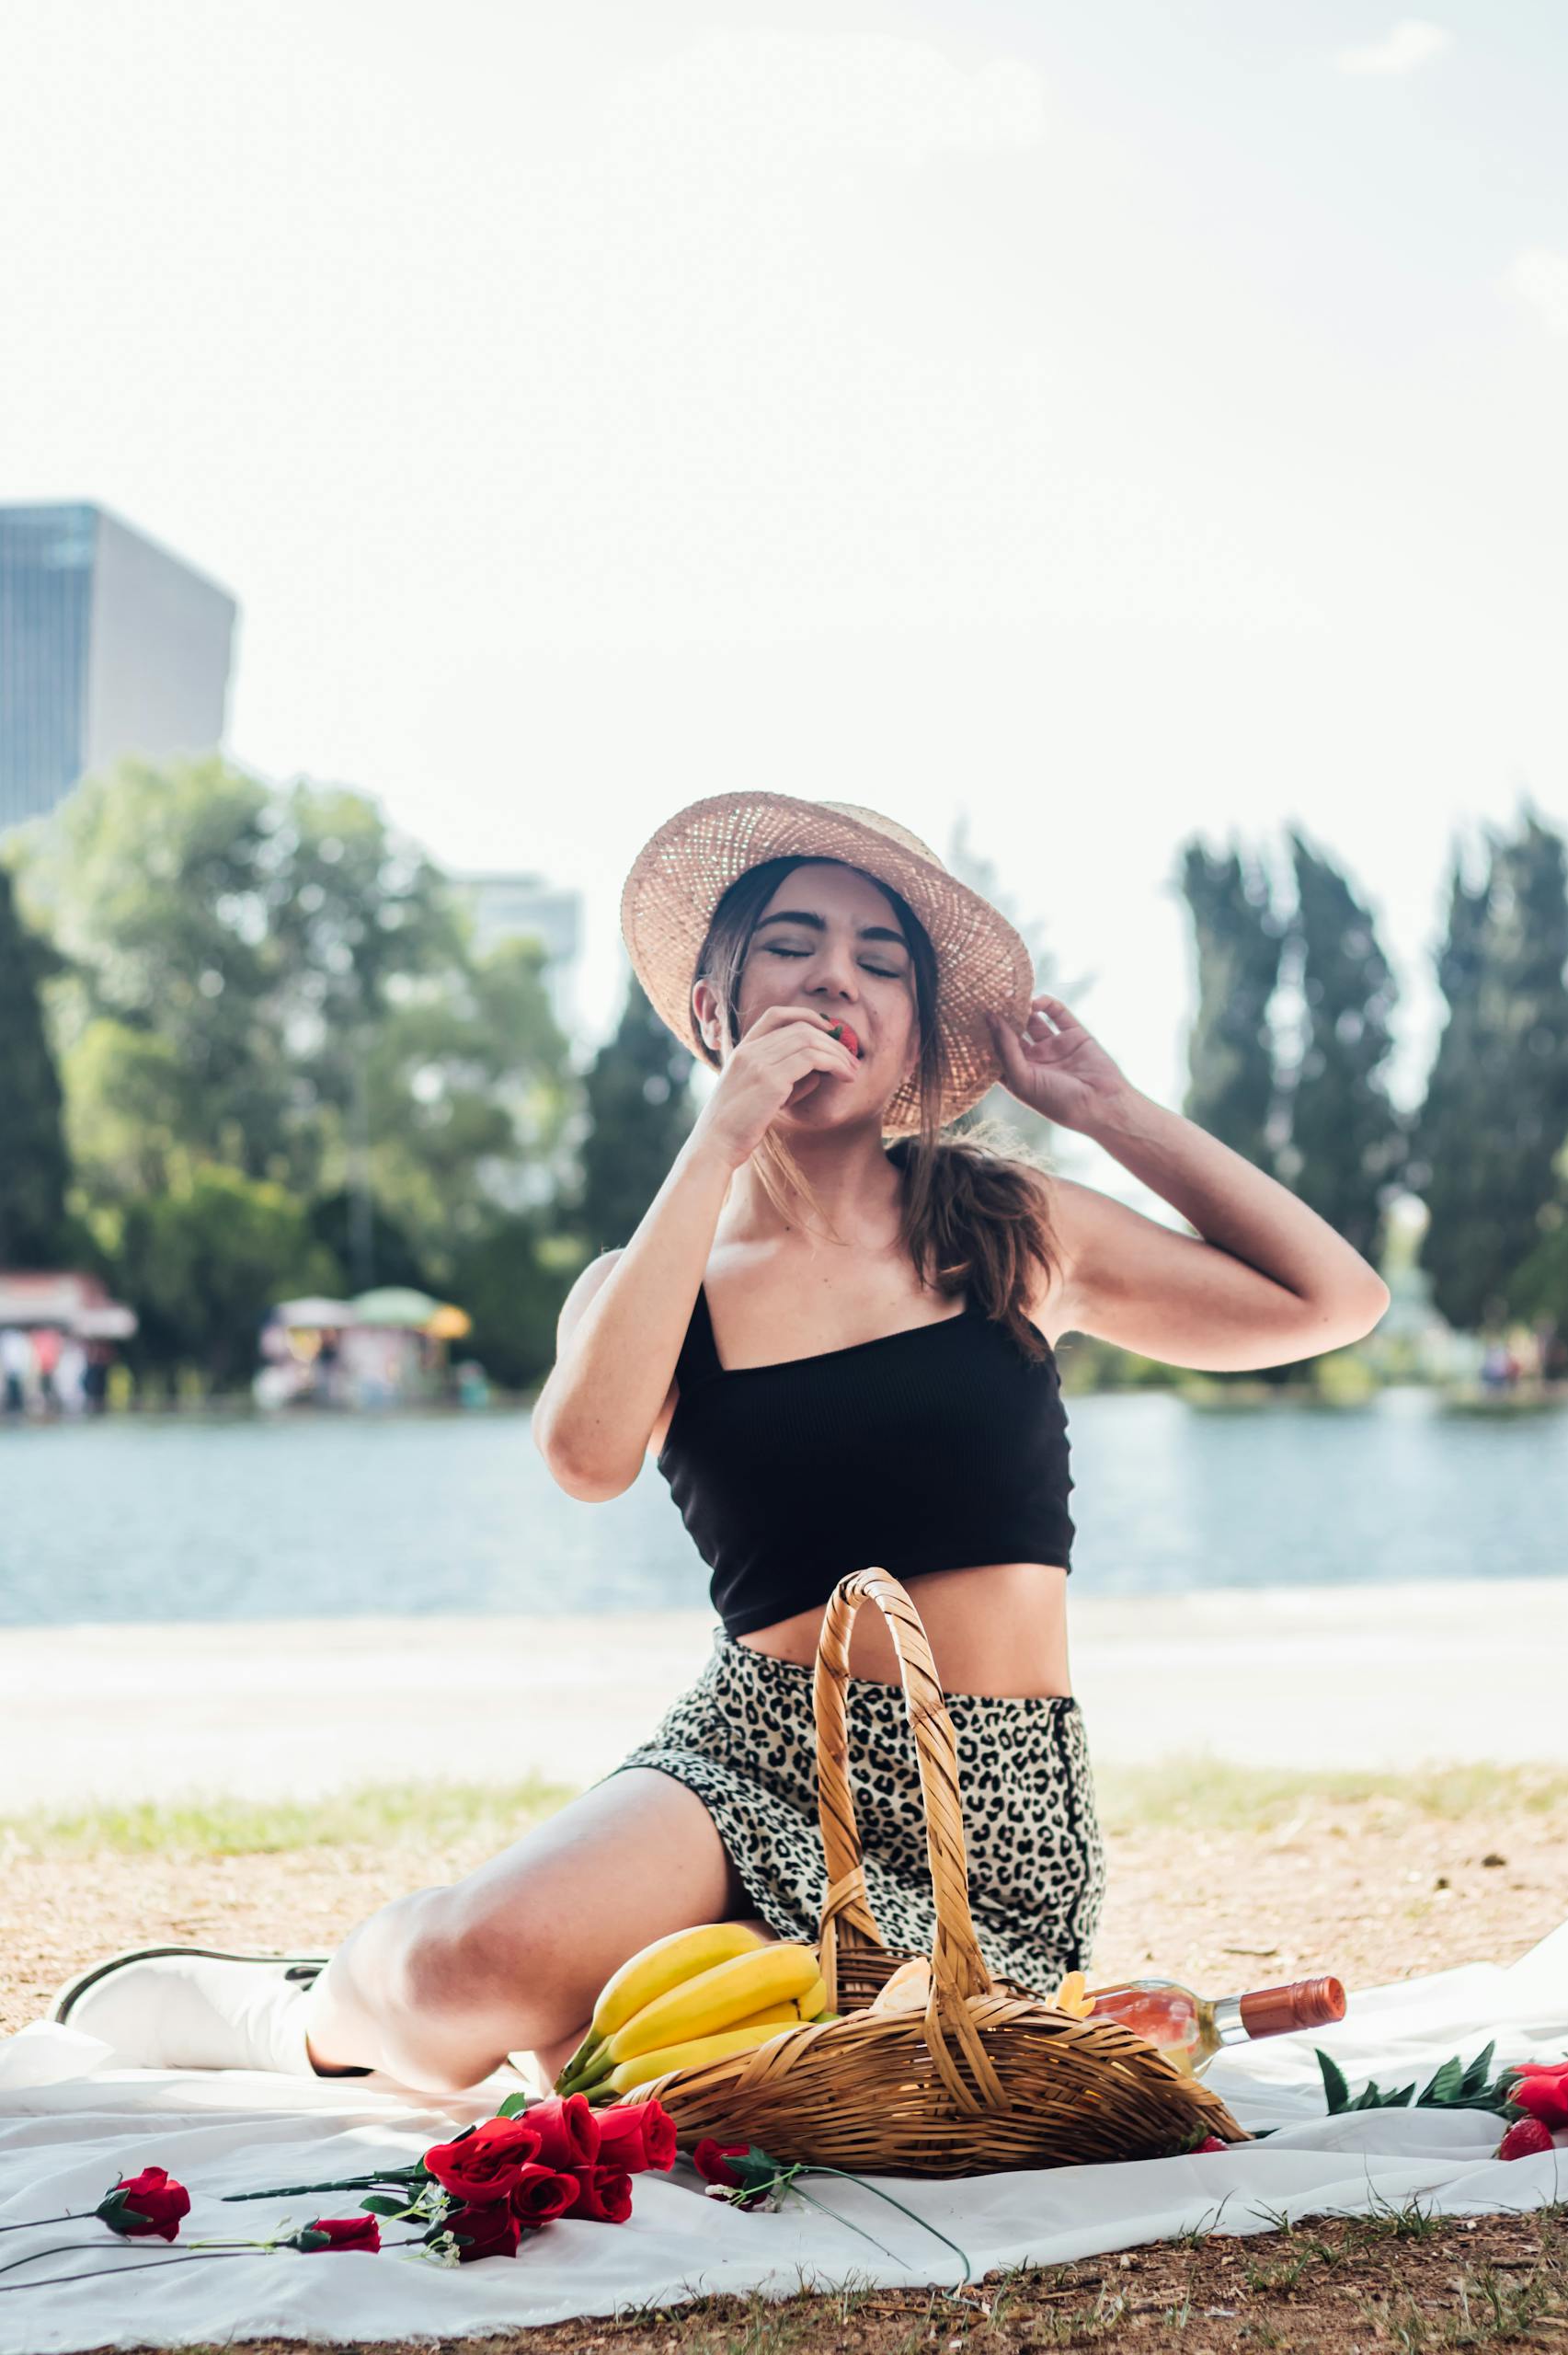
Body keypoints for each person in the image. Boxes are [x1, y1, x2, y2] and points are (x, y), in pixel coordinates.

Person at [47, 793, 1390, 2093]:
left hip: (985, 1801)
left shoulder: (1007, 1224)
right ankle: (305, 2013)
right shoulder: (650, 1282)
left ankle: (574, 2020)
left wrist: (1105, 1108)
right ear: (715, 1007)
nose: (833, 984)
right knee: (473, 1964)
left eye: (879, 963)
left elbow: (1332, 1301)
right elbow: (583, 1458)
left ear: (913, 1036)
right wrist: (716, 1143)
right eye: (792, 948)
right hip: (749, 1756)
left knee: (682, 2071)